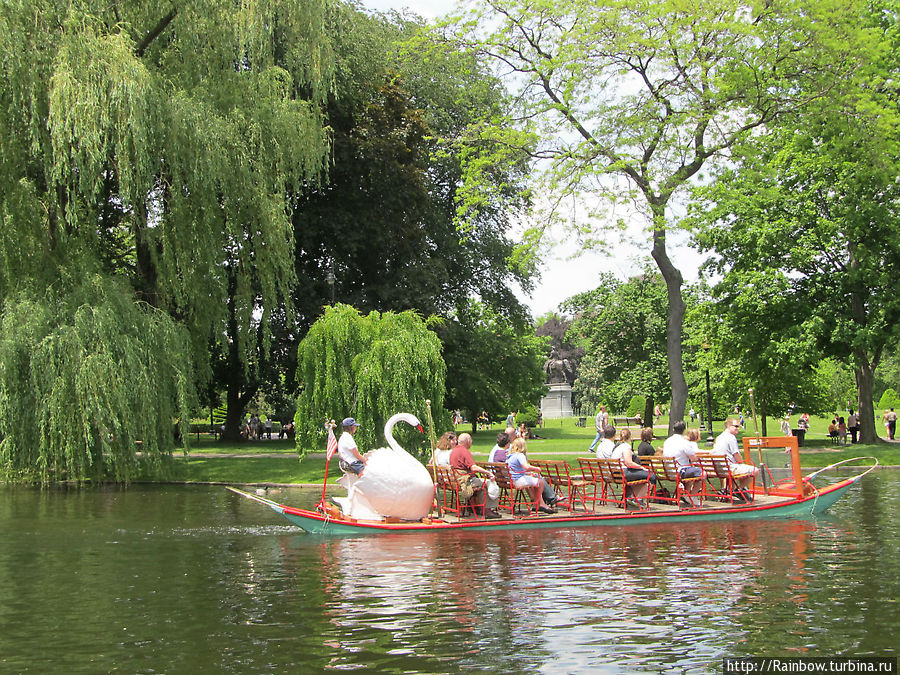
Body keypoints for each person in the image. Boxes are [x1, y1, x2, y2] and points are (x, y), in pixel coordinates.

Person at [449, 433, 501, 519]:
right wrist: (488, 473)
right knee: (487, 482)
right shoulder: (464, 451)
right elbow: (473, 467)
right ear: (468, 442)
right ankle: (488, 510)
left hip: (456, 480)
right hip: (465, 481)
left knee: (481, 485)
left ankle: (476, 507)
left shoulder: (454, 451)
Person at [506, 437, 555, 514]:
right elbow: (526, 466)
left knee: (534, 483)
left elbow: (516, 470)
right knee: (541, 482)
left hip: (513, 480)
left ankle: (536, 505)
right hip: (519, 481)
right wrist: (536, 468)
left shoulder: (510, 456)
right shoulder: (520, 455)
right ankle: (540, 503)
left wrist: (528, 473)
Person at [712, 418, 758, 496]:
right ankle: (738, 490)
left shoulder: (719, 437)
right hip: (729, 469)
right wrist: (743, 463)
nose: (738, 429)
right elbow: (736, 454)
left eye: (738, 426)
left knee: (740, 468)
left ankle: (730, 490)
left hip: (720, 469)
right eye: (736, 426)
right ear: (729, 426)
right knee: (755, 470)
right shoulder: (731, 437)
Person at [610, 429, 656, 506]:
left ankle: (632, 497)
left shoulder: (617, 446)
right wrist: (641, 467)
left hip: (615, 474)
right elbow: (629, 463)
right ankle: (638, 499)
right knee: (651, 476)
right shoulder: (626, 446)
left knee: (642, 476)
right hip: (623, 473)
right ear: (630, 437)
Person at [662, 420, 702, 503]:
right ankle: (692, 496)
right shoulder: (684, 442)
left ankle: (685, 495)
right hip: (680, 471)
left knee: (691, 472)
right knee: (702, 473)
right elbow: (693, 458)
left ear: (673, 430)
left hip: (669, 471)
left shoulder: (667, 441)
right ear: (684, 431)